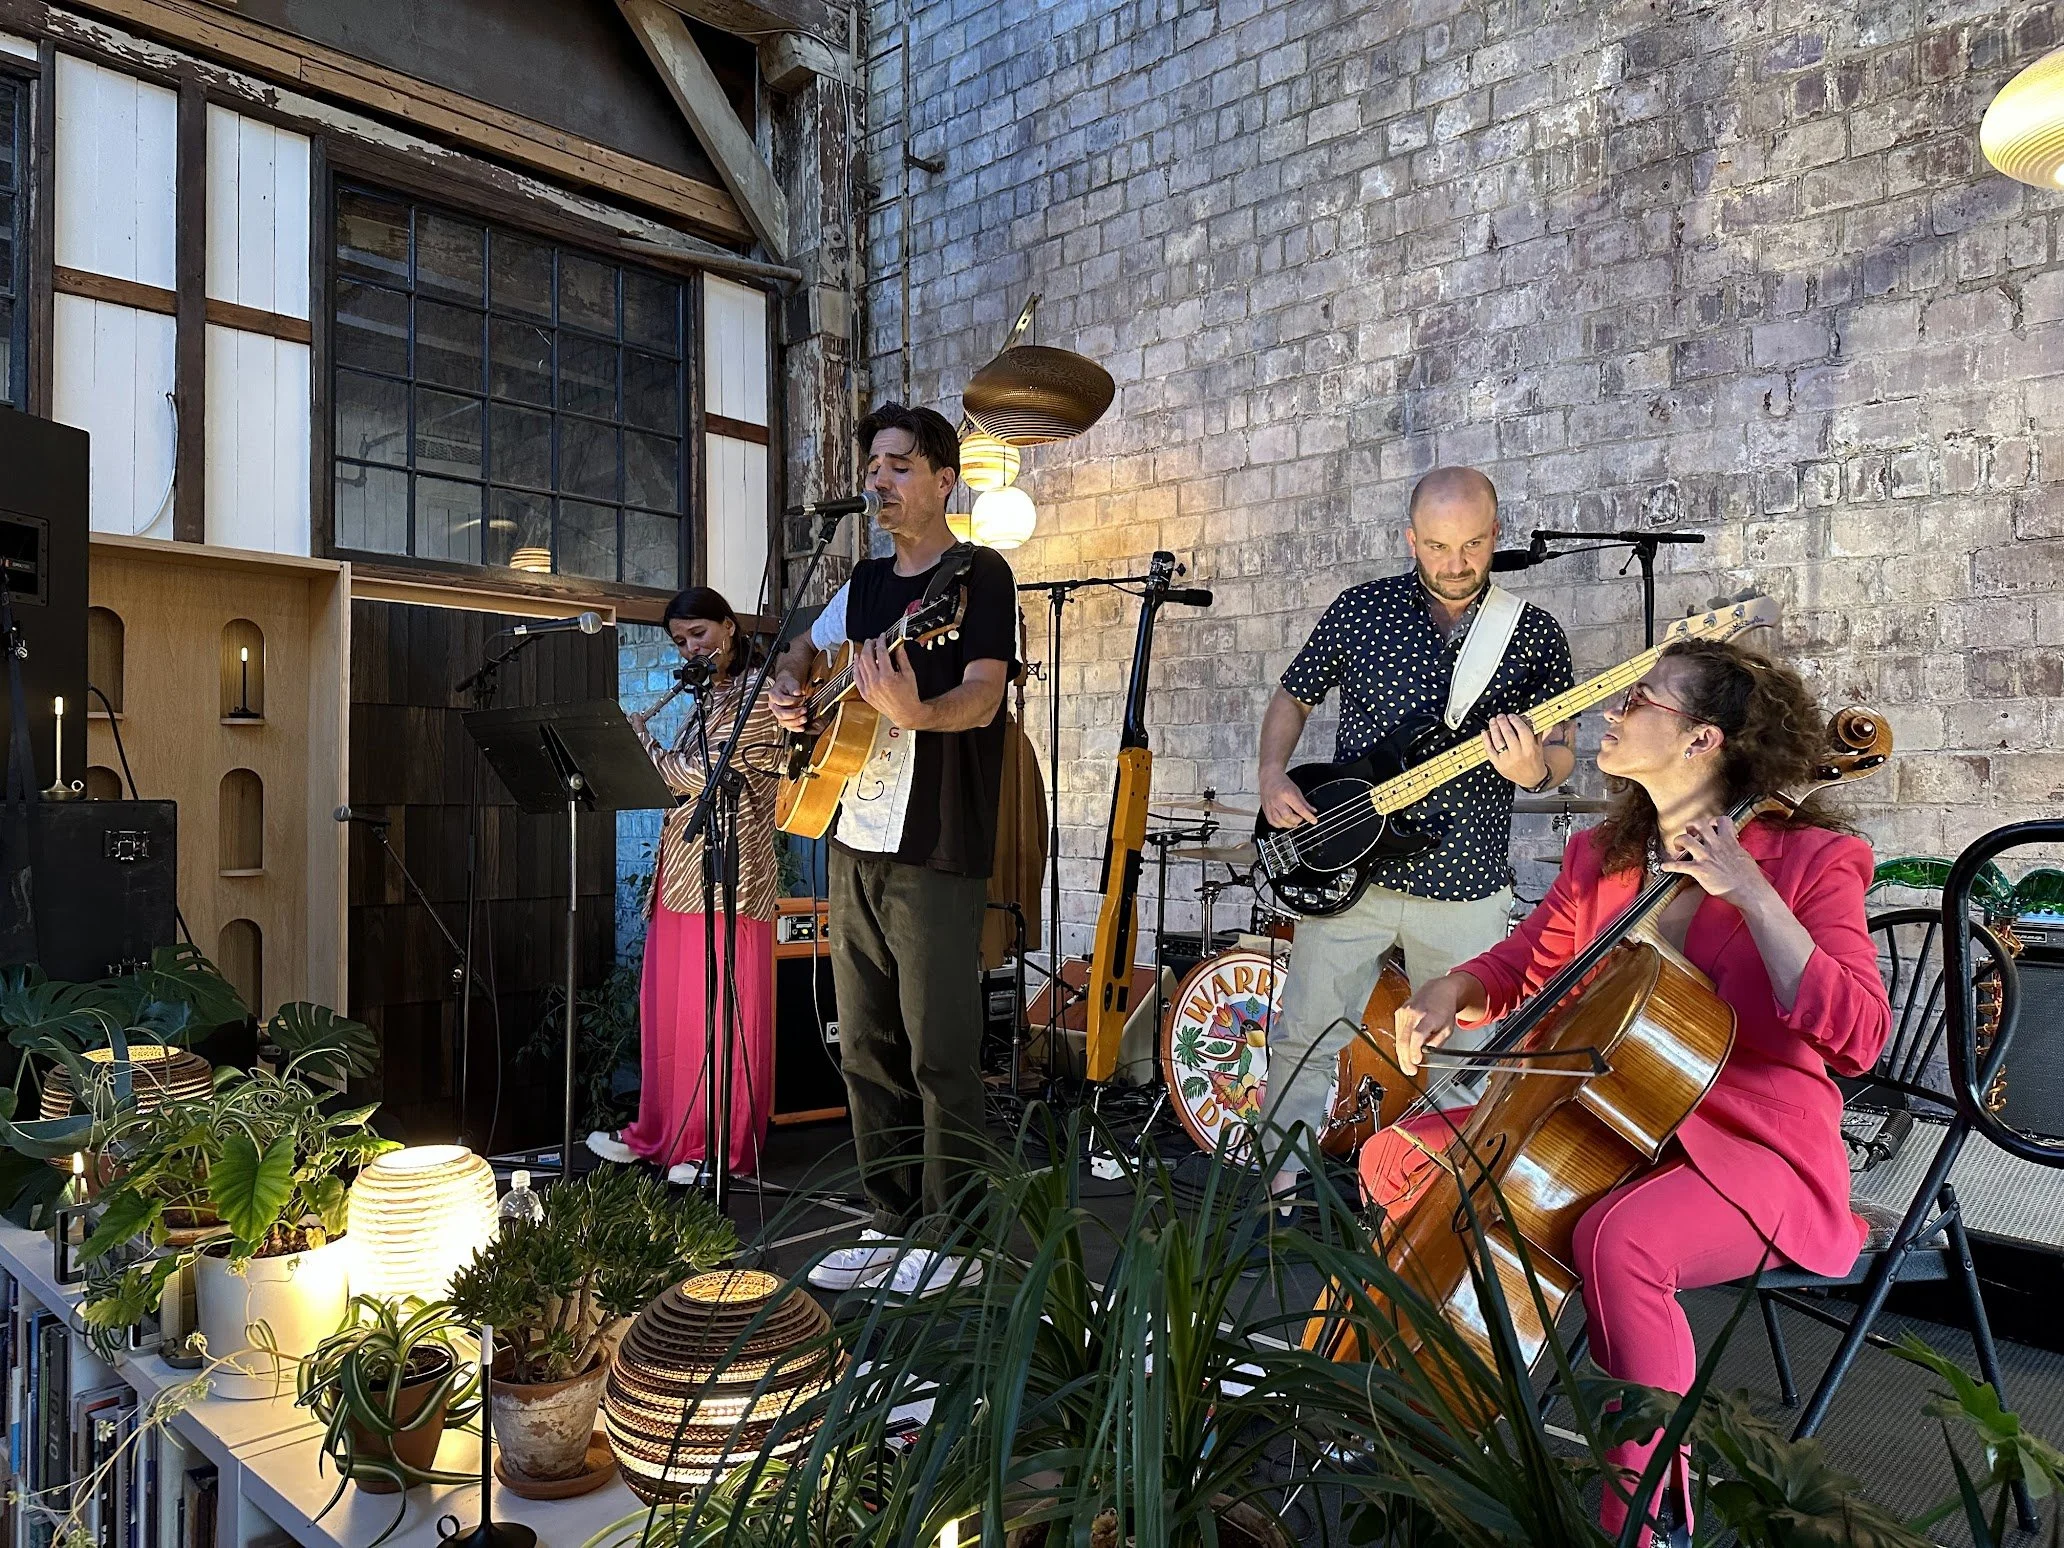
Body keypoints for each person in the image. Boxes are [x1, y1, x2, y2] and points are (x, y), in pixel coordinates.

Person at [1378, 638, 1893, 1541]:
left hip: (1750, 1147)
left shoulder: (1815, 859)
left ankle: (1649, 1519)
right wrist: (1450, 991)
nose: (1611, 714)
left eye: (1638, 701)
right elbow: (1528, 967)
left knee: (1623, 1242)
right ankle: (1429, 1388)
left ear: (1702, 739)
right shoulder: (1601, 855)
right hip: (1604, 1123)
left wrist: (1752, 893)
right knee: (1397, 1152)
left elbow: (1859, 1036)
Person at [1256, 466, 1574, 1202]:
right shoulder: (1360, 611)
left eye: (1471, 545)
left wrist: (1533, 769)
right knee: (1304, 1035)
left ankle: (1437, 1204)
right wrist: (1273, 775)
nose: (1456, 564)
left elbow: (1560, 754)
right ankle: (1276, 1190)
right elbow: (1292, 694)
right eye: (1436, 546)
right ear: (1410, 539)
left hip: (1464, 882)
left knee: (1465, 1055)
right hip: (1350, 869)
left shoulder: (1532, 634)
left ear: (1496, 536)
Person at [769, 402, 1018, 1299]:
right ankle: (895, 1215)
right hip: (850, 832)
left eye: (899, 465)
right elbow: (801, 646)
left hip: (932, 844)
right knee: (865, 1044)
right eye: (874, 464)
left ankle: (959, 1232)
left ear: (944, 479)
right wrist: (795, 687)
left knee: (938, 1047)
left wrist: (921, 712)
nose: (878, 479)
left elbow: (984, 695)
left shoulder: (977, 578)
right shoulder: (866, 584)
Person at [587, 587, 781, 1186]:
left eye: (699, 634)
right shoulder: (713, 698)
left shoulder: (762, 699)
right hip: (681, 876)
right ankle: (661, 1135)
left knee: (719, 1018)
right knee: (672, 1014)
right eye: (680, 641)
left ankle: (717, 1147)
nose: (690, 648)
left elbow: (692, 776)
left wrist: (637, 740)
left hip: (733, 880)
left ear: (728, 627)